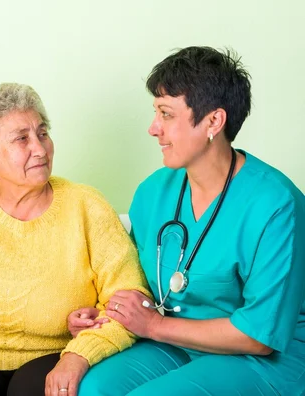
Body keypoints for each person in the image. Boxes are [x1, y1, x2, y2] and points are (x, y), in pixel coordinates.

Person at [69, 46, 305, 395]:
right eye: (155, 113)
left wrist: (153, 326)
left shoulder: (276, 206)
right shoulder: (153, 193)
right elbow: (142, 287)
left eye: (166, 114)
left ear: (214, 121)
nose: (153, 129)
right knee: (93, 388)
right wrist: (106, 312)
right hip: (173, 343)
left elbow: (259, 336)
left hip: (258, 358)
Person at [0, 82, 151, 396]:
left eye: (43, 133)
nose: (40, 148)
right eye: (22, 138)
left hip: (57, 354)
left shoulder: (87, 206)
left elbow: (128, 297)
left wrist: (82, 353)